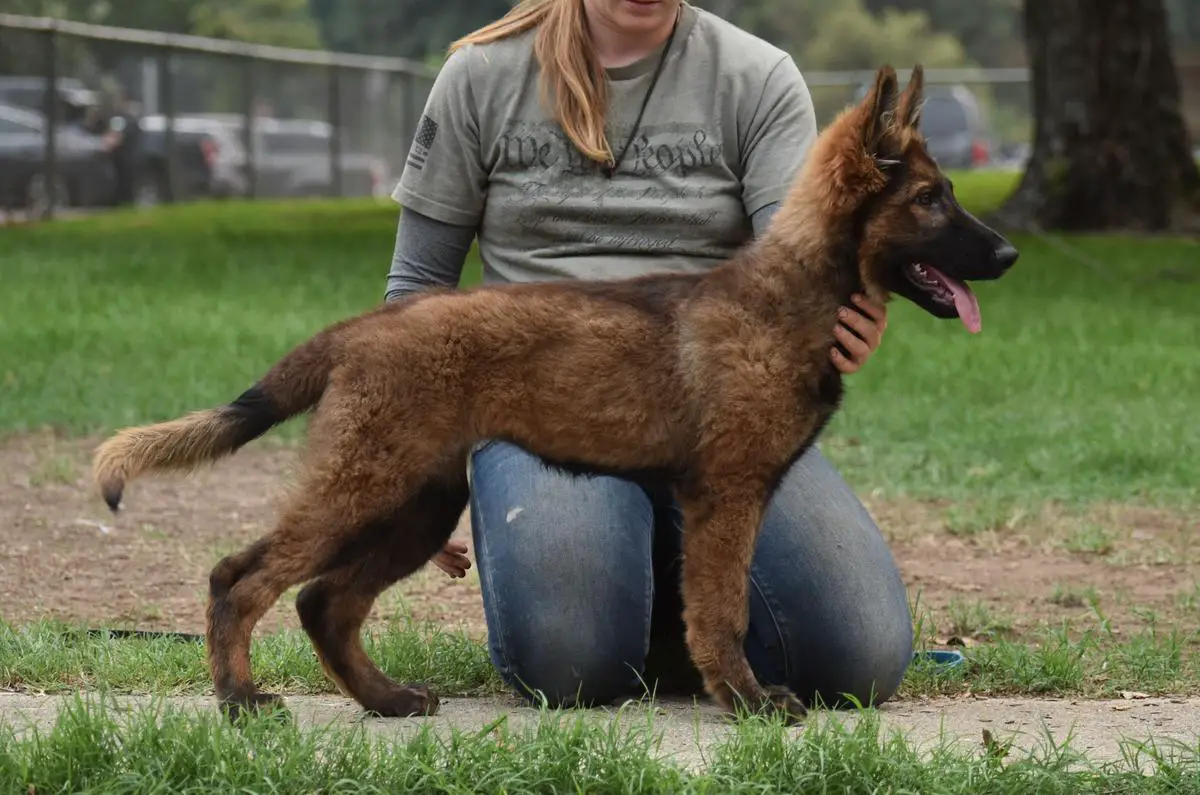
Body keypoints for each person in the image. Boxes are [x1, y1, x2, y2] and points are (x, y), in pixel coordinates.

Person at [384, 0, 913, 711]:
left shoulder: (756, 76)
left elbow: (808, 261)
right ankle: (642, 603)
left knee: (859, 656)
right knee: (572, 661)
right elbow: (417, 286)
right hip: (548, 408)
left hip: (723, 410)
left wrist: (854, 311)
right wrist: (415, 467)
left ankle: (663, 595)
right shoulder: (481, 73)